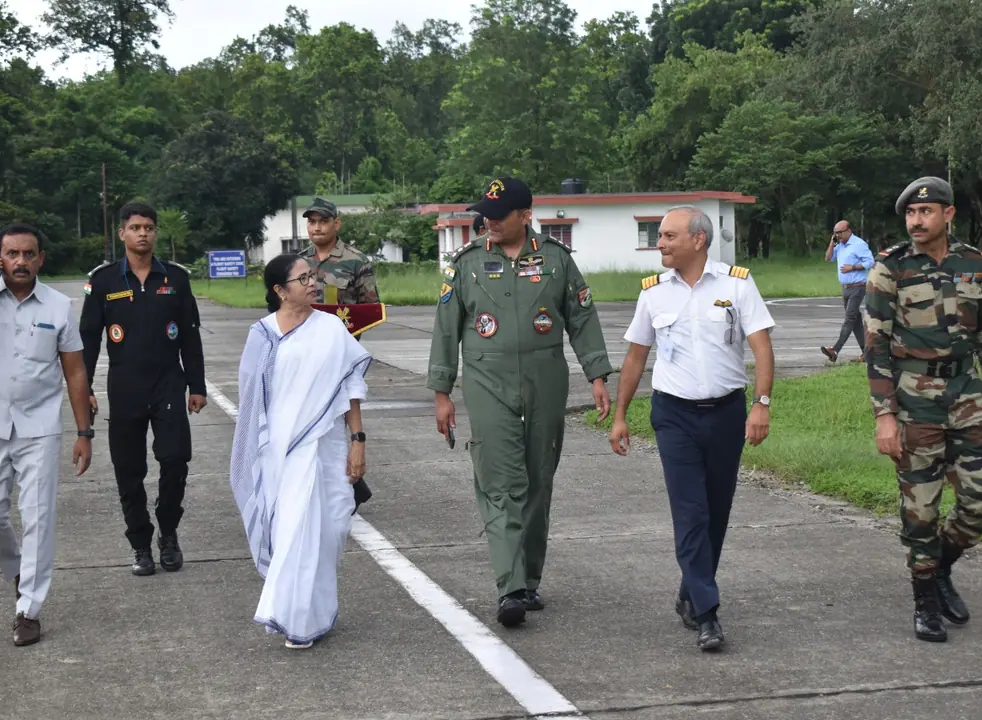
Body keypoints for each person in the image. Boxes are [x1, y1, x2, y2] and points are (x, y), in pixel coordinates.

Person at [427, 176, 614, 628]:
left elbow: (582, 318)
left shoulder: (556, 261)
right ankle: (509, 586)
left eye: (499, 214)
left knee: (538, 477)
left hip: (545, 379)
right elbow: (445, 328)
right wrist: (441, 393)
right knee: (499, 479)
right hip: (486, 381)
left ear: (525, 215)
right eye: (485, 213)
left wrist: (597, 376)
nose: (488, 221)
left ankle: (529, 578)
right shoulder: (466, 264)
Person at [608, 206, 775, 652]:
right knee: (691, 513)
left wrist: (760, 405)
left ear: (698, 240)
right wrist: (621, 415)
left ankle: (690, 590)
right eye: (659, 236)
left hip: (724, 413)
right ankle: (708, 613)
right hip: (674, 415)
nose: (659, 243)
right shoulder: (653, 294)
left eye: (668, 236)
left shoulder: (737, 284)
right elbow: (636, 358)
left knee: (716, 513)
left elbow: (761, 347)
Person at [865, 176, 982, 643]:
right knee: (920, 508)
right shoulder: (889, 268)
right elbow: (875, 348)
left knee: (980, 499)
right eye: (911, 214)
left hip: (968, 393)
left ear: (948, 215)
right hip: (914, 396)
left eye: (926, 212)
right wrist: (884, 414)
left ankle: (939, 569)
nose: (916, 220)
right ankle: (925, 601)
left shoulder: (973, 263)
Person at [0, 222, 94, 647]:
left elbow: (75, 370)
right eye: (12, 254)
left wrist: (84, 431)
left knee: (38, 517)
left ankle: (28, 609)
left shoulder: (58, 307)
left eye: (29, 254)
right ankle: (17, 571)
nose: (21, 262)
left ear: (41, 259)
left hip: (39, 427)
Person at [229, 254, 372, 649]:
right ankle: (291, 617)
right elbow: (251, 402)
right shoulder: (262, 335)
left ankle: (317, 612)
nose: (313, 283)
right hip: (283, 453)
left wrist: (358, 443)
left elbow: (350, 390)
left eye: (313, 275)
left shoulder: (330, 328)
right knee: (294, 532)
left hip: (327, 447)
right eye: (302, 278)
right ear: (279, 290)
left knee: (330, 531)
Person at [80, 202, 207, 576]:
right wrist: (83, 388)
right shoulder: (104, 281)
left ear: (156, 233)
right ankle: (140, 545)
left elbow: (191, 336)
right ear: (122, 233)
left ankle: (168, 534)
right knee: (128, 471)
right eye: (135, 227)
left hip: (168, 383)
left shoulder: (176, 279)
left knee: (174, 460)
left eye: (149, 227)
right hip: (125, 386)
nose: (142, 233)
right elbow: (88, 340)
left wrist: (196, 385)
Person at [299, 197, 381, 305]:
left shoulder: (357, 261)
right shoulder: (298, 261)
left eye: (323, 221)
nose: (317, 228)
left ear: (336, 224)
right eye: (312, 222)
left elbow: (371, 311)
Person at [820, 220, 875, 363]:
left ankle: (835, 350)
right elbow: (828, 258)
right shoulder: (840, 246)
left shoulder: (859, 244)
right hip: (845, 289)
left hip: (858, 287)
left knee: (849, 319)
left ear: (848, 230)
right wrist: (832, 243)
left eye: (840, 233)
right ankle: (867, 353)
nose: (838, 236)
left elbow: (870, 262)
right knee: (855, 322)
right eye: (835, 233)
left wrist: (853, 267)